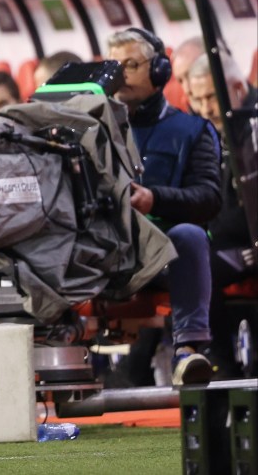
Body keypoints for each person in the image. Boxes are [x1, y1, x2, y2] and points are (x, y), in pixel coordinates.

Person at [107, 27, 221, 385]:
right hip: (102, 247)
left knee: (190, 234)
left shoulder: (192, 130)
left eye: (131, 64)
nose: (121, 74)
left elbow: (209, 199)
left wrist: (154, 198)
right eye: (114, 66)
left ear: (159, 70)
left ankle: (188, 351)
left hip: (160, 251)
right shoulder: (86, 129)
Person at [186, 52, 257, 374]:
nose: (205, 107)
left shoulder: (251, 126)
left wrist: (206, 230)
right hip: (226, 237)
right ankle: (210, 364)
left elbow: (248, 214)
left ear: (238, 88)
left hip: (250, 242)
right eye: (198, 99)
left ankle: (222, 369)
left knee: (200, 268)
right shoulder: (208, 130)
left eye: (212, 96)